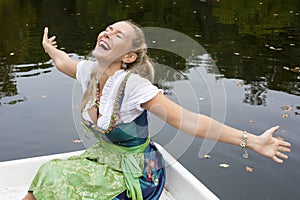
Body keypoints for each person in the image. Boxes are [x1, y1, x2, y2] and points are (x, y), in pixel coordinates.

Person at [24, 20, 291, 200]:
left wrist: (252, 141)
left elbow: (189, 121)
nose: (107, 33)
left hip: (137, 173)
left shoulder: (133, 87)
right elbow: (63, 63)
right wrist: (50, 49)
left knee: (61, 179)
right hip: (105, 160)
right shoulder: (89, 72)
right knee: (49, 172)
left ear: (128, 57)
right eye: (108, 29)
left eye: (118, 35)